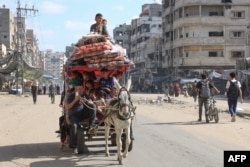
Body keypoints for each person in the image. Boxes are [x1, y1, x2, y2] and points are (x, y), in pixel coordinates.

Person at [65, 83, 96, 154]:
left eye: (81, 89)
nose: (80, 90)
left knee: (93, 107)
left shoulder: (85, 95)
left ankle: (91, 126)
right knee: (75, 127)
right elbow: (67, 107)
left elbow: (91, 102)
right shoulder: (71, 96)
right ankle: (74, 147)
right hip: (75, 115)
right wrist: (75, 100)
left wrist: (87, 101)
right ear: (75, 90)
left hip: (83, 113)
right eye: (78, 89)